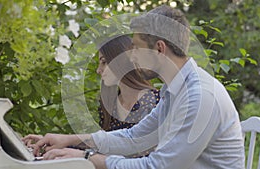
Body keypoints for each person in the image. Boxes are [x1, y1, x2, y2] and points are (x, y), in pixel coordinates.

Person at [28, 5, 245, 169]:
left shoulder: (199, 96)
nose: (131, 57)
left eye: (137, 48)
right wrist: (71, 140)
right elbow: (134, 137)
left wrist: (86, 158)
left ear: (159, 49)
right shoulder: (176, 90)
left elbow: (157, 167)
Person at [23, 35, 160, 156]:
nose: (98, 70)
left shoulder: (153, 102)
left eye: (104, 62)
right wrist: (51, 144)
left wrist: (75, 151)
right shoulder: (111, 104)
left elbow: (136, 155)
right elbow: (104, 146)